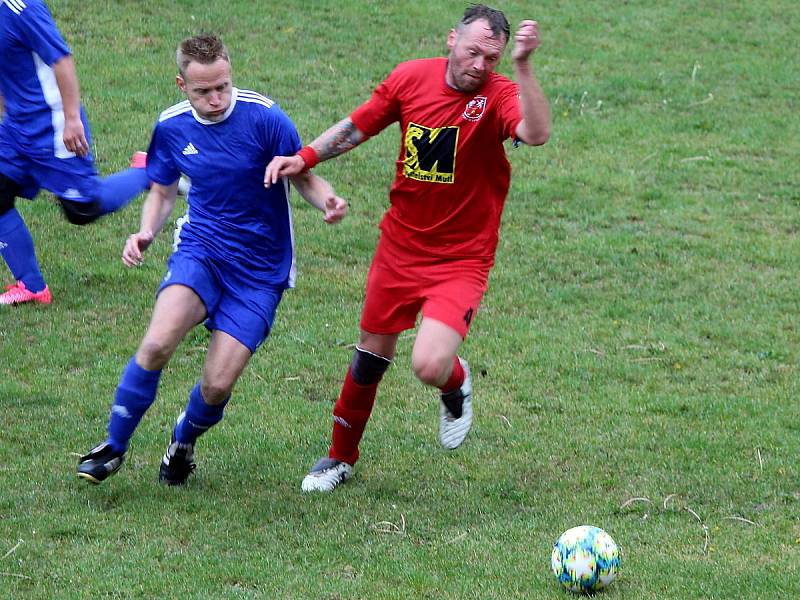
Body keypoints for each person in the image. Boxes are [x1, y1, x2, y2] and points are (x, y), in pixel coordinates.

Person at [265, 4, 550, 492]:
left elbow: (536, 133)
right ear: (450, 40)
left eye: (493, 58)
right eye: (472, 51)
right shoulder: (410, 79)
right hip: (400, 247)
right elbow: (360, 125)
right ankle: (339, 458)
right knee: (369, 358)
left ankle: (455, 383)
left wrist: (523, 67)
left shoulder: (500, 93)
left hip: (462, 256)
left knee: (428, 364)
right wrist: (305, 157)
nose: (479, 65)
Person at [76, 34, 347, 485]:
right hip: (202, 248)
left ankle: (182, 439)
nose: (217, 98)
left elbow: (304, 176)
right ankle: (113, 446)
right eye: (204, 91)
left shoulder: (266, 118)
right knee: (158, 343)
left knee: (217, 385)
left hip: (261, 271)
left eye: (223, 86)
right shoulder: (172, 126)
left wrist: (329, 202)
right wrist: (145, 231)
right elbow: (163, 192)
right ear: (182, 84)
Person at [0, 0, 151, 305]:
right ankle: (32, 286)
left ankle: (151, 171)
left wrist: (71, 120)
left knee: (82, 210)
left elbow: (62, 60)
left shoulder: (22, 8)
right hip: (17, 127)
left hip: (53, 125)